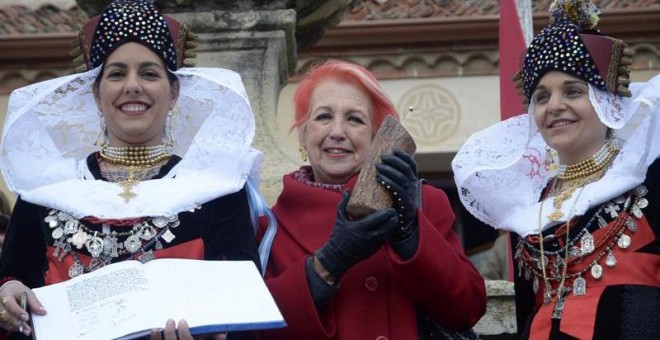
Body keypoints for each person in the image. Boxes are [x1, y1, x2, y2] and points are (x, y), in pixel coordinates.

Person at [0, 1, 268, 339]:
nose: (132, 85)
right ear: (97, 94)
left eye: (149, 73)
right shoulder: (47, 189)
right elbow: (11, 282)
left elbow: (245, 308)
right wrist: (7, 301)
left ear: (173, 93)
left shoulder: (217, 189)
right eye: (116, 73)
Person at [452, 0, 660, 338]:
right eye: (542, 97)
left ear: (607, 101)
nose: (555, 106)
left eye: (573, 91)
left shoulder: (647, 180)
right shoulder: (531, 209)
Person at [257, 59, 486, 339]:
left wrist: (412, 234)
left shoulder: (424, 203)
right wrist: (326, 264)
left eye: (355, 119)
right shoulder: (269, 226)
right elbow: (259, 328)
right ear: (303, 134)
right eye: (323, 117)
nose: (338, 132)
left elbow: (468, 307)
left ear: (376, 137)